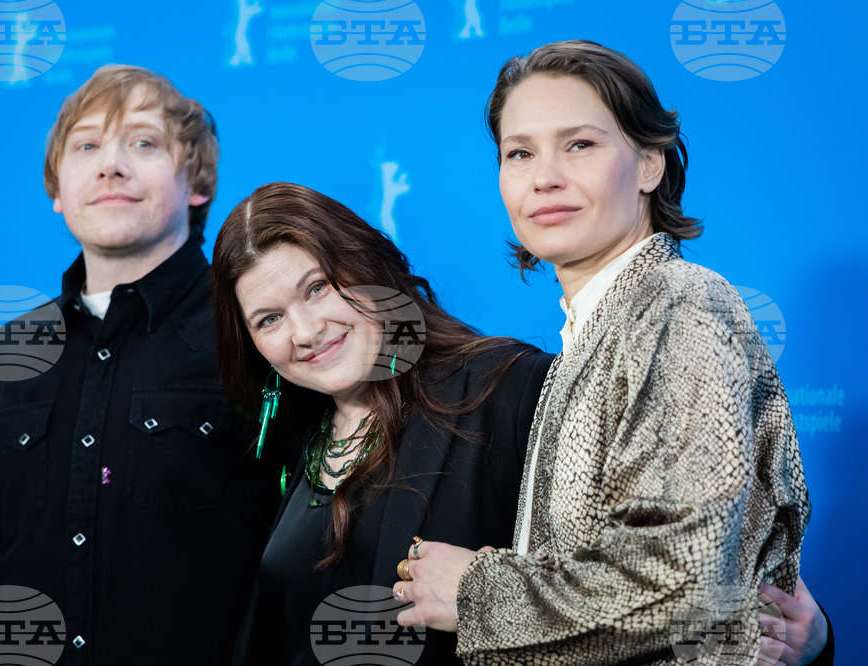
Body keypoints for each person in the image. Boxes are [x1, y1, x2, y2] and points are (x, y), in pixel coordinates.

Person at [395, 40, 831, 665]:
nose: (544, 176)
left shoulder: (679, 307)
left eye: (580, 144)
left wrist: (476, 594)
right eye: (520, 153)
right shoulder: (598, 328)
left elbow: (679, 579)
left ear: (650, 164)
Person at [0, 65, 281, 664]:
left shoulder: (255, 329)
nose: (111, 164)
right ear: (56, 190)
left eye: (143, 142)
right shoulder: (11, 353)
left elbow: (321, 551)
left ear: (197, 183)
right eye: (86, 146)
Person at [209, 181, 554, 665]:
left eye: (317, 288)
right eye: (269, 320)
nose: (305, 332)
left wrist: (488, 595)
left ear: (368, 268)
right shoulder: (291, 449)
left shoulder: (508, 385)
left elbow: (602, 591)